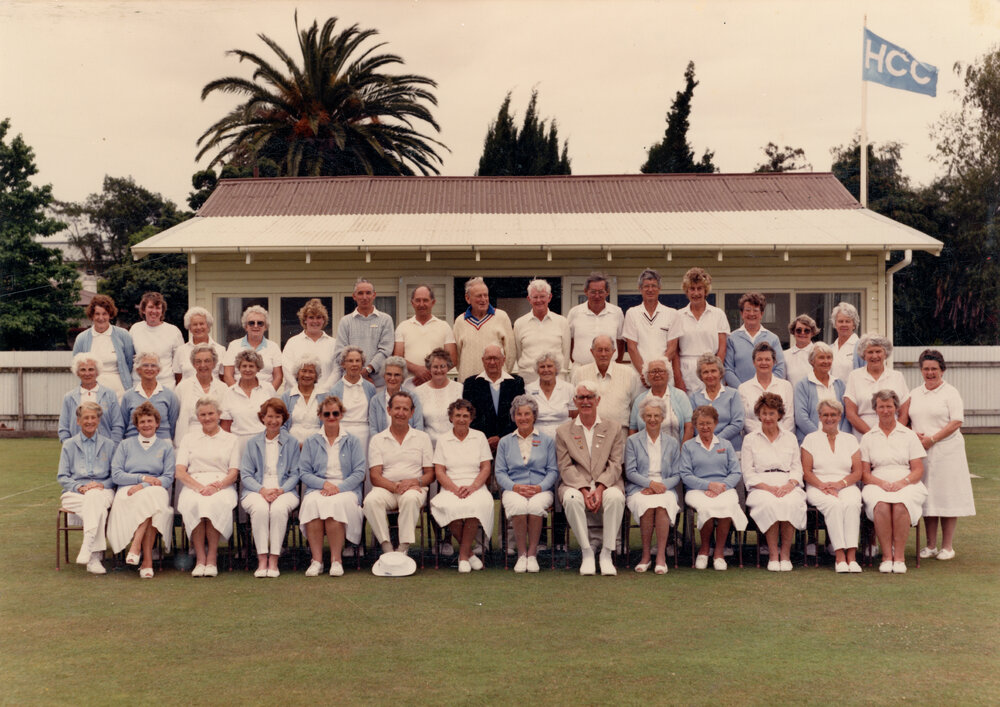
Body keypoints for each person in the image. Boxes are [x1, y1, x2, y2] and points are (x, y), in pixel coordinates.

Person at [906, 350, 975, 561]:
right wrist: (912, 434)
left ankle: (947, 546)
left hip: (947, 451)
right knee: (929, 496)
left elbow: (956, 422)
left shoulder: (950, 392)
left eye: (934, 369)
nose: (930, 373)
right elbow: (908, 420)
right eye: (926, 369)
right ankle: (930, 546)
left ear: (942, 370)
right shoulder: (914, 393)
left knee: (946, 496)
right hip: (922, 452)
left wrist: (932, 439)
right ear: (921, 370)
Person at [555, 381, 626, 576]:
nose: (586, 401)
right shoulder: (563, 431)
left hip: (607, 483)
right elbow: (565, 466)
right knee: (571, 499)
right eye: (581, 397)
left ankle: (606, 553)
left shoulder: (614, 428)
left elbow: (615, 463)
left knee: (615, 497)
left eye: (590, 397)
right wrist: (585, 489)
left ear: (598, 400)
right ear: (575, 401)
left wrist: (601, 488)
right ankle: (586, 552)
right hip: (576, 484)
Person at [860, 390, 928, 573]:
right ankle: (886, 557)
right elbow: (864, 474)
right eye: (881, 406)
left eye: (889, 406)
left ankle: (899, 557)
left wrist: (902, 482)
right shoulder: (868, 437)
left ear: (896, 408)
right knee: (881, 505)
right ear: (875, 409)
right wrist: (880, 483)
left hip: (906, 481)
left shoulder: (909, 435)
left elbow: (918, 470)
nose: (885, 410)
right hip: (876, 482)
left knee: (900, 504)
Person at [299, 396, 366, 577]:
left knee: (335, 504)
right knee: (312, 503)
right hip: (319, 488)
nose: (331, 417)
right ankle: (317, 560)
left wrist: (339, 488)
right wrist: (324, 484)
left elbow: (359, 472)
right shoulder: (311, 441)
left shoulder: (352, 441)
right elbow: (304, 472)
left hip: (346, 489)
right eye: (326, 413)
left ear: (341, 415)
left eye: (335, 413)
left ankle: (336, 560)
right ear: (320, 416)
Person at [107, 402, 176, 578]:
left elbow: (167, 477)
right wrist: (141, 479)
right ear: (136, 425)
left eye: (149, 421)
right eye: (142, 421)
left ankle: (136, 546)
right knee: (151, 506)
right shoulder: (125, 445)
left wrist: (144, 485)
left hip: (155, 488)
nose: (146, 424)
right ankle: (147, 561)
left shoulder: (166, 446)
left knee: (153, 498)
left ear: (157, 423)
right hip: (128, 490)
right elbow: (116, 475)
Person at [174, 398, 240, 577]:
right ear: (197, 417)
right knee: (193, 503)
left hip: (222, 485)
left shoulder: (231, 439)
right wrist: (199, 488)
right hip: (194, 484)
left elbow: (234, 472)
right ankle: (200, 559)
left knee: (213, 504)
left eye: (211, 413)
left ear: (219, 415)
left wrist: (217, 487)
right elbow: (180, 472)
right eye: (203, 414)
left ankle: (212, 558)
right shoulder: (188, 438)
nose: (207, 417)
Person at [741, 393, 807, 572]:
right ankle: (772, 555)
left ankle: (785, 555)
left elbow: (796, 468)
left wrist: (789, 485)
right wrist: (767, 488)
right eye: (764, 413)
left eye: (772, 413)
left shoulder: (790, 438)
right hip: (761, 485)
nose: (768, 418)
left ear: (779, 414)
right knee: (770, 503)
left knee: (791, 502)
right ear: (759, 415)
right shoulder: (750, 439)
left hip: (787, 482)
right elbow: (748, 471)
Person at [364, 391, 435, 555]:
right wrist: (395, 486)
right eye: (396, 408)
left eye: (405, 409)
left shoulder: (423, 438)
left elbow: (430, 474)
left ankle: (403, 547)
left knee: (410, 498)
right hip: (387, 488)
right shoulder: (377, 439)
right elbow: (375, 476)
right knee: (371, 501)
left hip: (414, 488)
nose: (400, 413)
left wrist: (414, 482)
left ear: (412, 413)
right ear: (389, 410)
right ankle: (386, 546)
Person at [495, 395, 558, 573]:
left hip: (541, 488)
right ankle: (521, 554)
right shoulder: (505, 442)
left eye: (527, 414)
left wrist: (540, 487)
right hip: (514, 488)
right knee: (518, 504)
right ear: (514, 416)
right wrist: (514, 487)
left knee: (536, 505)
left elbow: (553, 470)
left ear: (534, 416)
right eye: (519, 414)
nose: (523, 418)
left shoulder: (546, 441)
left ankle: (532, 554)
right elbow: (499, 472)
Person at [679, 406, 748, 571]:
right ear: (695, 425)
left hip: (723, 488)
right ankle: (703, 550)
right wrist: (708, 486)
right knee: (707, 506)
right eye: (701, 423)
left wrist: (720, 487)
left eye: (708, 423)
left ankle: (718, 553)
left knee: (727, 505)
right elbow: (686, 475)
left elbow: (735, 471)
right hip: (697, 490)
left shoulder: (726, 444)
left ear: (715, 424)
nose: (705, 427)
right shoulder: (688, 446)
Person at [429, 400, 494, 573]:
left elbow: (486, 467)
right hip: (451, 487)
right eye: (458, 415)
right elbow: (440, 471)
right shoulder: (443, 440)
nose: (461, 419)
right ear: (451, 417)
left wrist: (472, 487)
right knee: (449, 506)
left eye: (465, 416)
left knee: (476, 505)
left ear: (471, 418)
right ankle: (470, 554)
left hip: (476, 486)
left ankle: (463, 556)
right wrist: (454, 489)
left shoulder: (479, 436)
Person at [240, 398, 301, 578]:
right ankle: (261, 560)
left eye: (277, 416)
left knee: (278, 509)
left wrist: (281, 490)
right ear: (262, 418)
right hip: (257, 489)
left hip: (284, 490)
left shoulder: (291, 442)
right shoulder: (252, 443)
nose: (273, 421)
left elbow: (296, 474)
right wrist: (262, 490)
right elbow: (246, 474)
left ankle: (274, 560)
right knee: (259, 509)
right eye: (269, 416)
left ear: (284, 419)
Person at [801, 399, 863, 573]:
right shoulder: (810, 439)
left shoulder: (850, 439)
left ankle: (852, 556)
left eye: (833, 414)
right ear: (819, 417)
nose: (830, 418)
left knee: (852, 504)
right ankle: (839, 556)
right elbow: (806, 472)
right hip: (817, 486)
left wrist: (839, 484)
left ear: (840, 416)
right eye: (826, 415)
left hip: (845, 485)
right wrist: (823, 486)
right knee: (834, 505)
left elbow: (857, 472)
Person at [56, 401, 116, 574]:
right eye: (85, 418)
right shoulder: (69, 445)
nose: (89, 421)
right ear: (78, 421)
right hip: (75, 493)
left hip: (103, 490)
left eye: (93, 418)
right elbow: (62, 476)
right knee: (98, 508)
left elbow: (115, 476)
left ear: (98, 420)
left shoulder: (109, 444)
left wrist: (100, 484)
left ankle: (87, 545)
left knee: (95, 497)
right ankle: (94, 556)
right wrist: (79, 487)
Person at [625, 396, 681, 574]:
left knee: (663, 505)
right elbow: (630, 472)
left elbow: (677, 473)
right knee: (647, 506)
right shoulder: (633, 441)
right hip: (640, 487)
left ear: (663, 417)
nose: (652, 419)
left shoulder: (672, 442)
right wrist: (649, 484)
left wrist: (660, 486)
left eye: (656, 415)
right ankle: (646, 556)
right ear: (642, 417)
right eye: (648, 415)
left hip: (665, 487)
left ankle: (661, 557)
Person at [668, 267, 729, 394]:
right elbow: (675, 352)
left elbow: (722, 348)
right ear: (687, 291)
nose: (696, 293)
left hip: (711, 370)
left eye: (699, 288)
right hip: (687, 374)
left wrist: (715, 373)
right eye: (692, 289)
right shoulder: (678, 316)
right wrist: (679, 380)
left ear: (706, 290)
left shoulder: (718, 314)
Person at [462, 344, 525, 454]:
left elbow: (519, 414)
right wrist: (486, 440)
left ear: (503, 360)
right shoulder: (471, 383)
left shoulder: (516, 382)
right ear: (483, 360)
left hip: (511, 441)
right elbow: (470, 416)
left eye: (495, 358)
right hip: (480, 443)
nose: (492, 362)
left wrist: (501, 437)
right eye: (488, 358)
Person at [843, 334, 909, 439]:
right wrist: (872, 435)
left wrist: (893, 434)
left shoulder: (897, 376)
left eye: (878, 351)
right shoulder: (854, 376)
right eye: (870, 352)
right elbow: (851, 414)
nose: (874, 356)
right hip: (863, 436)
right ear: (864, 355)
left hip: (894, 436)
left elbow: (904, 413)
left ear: (885, 354)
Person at [334, 278, 394, 390]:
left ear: (374, 295)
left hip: (378, 384)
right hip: (350, 384)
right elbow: (340, 353)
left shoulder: (386, 320)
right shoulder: (345, 321)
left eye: (368, 293)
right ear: (354, 296)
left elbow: (386, 350)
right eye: (360, 293)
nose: (364, 297)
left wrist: (368, 370)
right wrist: (358, 375)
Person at [571, 334, 641, 429]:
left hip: (620, 432)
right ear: (592, 352)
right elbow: (574, 407)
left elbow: (635, 408)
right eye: (599, 350)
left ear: (613, 352)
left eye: (607, 350)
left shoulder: (629, 374)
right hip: (588, 432)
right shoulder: (580, 373)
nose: (603, 354)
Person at [393, 284, 458, 386]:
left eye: (425, 300)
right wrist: (417, 370)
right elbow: (397, 357)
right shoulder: (403, 326)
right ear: (412, 303)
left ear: (433, 302)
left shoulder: (444, 326)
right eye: (418, 300)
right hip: (411, 384)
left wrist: (431, 373)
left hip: (437, 384)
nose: (421, 304)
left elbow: (453, 360)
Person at [72, 294, 135, 399]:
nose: (101, 318)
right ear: (92, 315)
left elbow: (129, 363)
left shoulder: (123, 335)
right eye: (97, 314)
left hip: (119, 390)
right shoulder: (82, 338)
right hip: (92, 390)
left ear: (110, 315)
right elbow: (77, 366)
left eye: (104, 314)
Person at [453, 277, 515, 382]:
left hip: (496, 383)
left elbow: (510, 354)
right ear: (468, 299)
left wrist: (501, 375)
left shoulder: (501, 317)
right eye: (479, 296)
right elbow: (458, 357)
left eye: (485, 295)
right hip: (468, 384)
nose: (484, 299)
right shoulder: (460, 321)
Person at [623, 269, 678, 387]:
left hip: (665, 377)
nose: (650, 289)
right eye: (646, 286)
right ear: (640, 289)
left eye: (654, 286)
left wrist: (658, 373)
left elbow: (672, 348)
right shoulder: (632, 313)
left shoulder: (672, 313)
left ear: (659, 288)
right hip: (639, 378)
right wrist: (645, 374)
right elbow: (632, 348)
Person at [513, 278, 570, 384]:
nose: (539, 300)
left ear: (549, 297)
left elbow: (565, 355)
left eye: (542, 296)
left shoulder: (562, 322)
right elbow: (519, 354)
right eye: (535, 297)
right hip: (528, 381)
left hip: (557, 381)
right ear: (529, 299)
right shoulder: (519, 324)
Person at [220, 350, 276, 457]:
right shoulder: (229, 392)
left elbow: (275, 420)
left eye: (251, 366)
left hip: (264, 443)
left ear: (258, 368)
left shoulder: (268, 389)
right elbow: (225, 427)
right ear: (238, 368)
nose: (247, 369)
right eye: (244, 366)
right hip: (238, 445)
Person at [724, 292, 786, 387]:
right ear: (741, 313)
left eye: (755, 310)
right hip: (741, 395)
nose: (751, 314)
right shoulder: (732, 338)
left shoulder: (773, 338)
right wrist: (742, 390)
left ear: (761, 314)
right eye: (748, 310)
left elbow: (780, 369)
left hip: (767, 395)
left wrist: (766, 388)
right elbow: (728, 369)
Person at [58, 354, 123, 444]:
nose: (87, 373)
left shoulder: (110, 395)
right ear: (77, 373)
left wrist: (112, 447)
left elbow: (118, 425)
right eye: (83, 370)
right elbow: (63, 428)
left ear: (97, 372)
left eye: (91, 369)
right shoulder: (69, 397)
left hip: (105, 450)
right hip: (78, 450)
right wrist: (70, 448)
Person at [327, 346, 377, 462]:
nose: (354, 364)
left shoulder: (370, 388)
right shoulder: (335, 389)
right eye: (350, 361)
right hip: (342, 433)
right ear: (343, 364)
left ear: (362, 363)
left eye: (357, 361)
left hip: (365, 434)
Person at [173, 344, 228, 448]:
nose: (203, 365)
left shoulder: (223, 388)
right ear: (193, 364)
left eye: (207, 361)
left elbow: (225, 420)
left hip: (216, 441)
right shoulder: (183, 387)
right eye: (198, 361)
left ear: (214, 363)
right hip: (189, 440)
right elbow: (176, 417)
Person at [628, 357, 692, 445]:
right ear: (646, 376)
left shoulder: (680, 396)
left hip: (675, 453)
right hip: (646, 454)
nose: (657, 375)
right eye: (653, 372)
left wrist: (682, 453)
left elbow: (689, 427)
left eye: (661, 371)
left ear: (668, 374)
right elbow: (633, 429)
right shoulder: (640, 400)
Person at [793, 342, 848, 444]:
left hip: (839, 440)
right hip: (812, 441)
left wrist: (841, 436)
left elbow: (846, 415)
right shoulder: (803, 385)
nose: (826, 361)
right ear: (812, 361)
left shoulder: (839, 384)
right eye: (821, 358)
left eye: (829, 357)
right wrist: (821, 438)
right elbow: (801, 418)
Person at [567, 271, 624, 367]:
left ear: (607, 292)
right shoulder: (574, 312)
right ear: (586, 291)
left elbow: (621, 342)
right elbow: (569, 342)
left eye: (601, 292)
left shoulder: (617, 312)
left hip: (610, 369)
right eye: (593, 292)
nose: (597, 296)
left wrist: (616, 365)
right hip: (581, 368)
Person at [129, 291, 184, 391]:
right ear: (143, 309)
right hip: (139, 386)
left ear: (162, 311)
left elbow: (179, 364)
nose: (154, 311)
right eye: (150, 307)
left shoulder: (173, 331)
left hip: (166, 386)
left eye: (158, 308)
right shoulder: (135, 329)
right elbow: (129, 359)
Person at [688, 353, 744, 451]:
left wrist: (716, 440)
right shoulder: (694, 397)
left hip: (731, 448)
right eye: (705, 372)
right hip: (703, 448)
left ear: (720, 373)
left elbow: (738, 423)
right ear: (700, 376)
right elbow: (693, 425)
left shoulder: (733, 394)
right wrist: (707, 441)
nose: (710, 375)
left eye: (713, 371)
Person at [281, 298, 338, 392]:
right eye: (311, 317)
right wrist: (300, 390)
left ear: (324, 320)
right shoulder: (293, 342)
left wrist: (324, 390)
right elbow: (287, 370)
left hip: (325, 395)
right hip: (297, 395)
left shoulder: (333, 343)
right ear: (305, 320)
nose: (315, 321)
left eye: (319, 317)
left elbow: (336, 371)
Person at [738, 342, 794, 435]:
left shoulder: (786, 386)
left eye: (767, 359)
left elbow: (789, 418)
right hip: (754, 440)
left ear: (774, 362)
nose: (764, 363)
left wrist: (777, 435)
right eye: (759, 359)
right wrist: (764, 435)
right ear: (753, 362)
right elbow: (746, 420)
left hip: (782, 439)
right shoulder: (743, 388)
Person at [222, 305, 283, 389]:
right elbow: (228, 375)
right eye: (251, 323)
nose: (255, 326)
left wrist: (267, 395)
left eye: (260, 323)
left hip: (266, 397)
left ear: (265, 326)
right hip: (239, 395)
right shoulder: (234, 345)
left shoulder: (273, 347)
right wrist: (238, 394)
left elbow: (278, 377)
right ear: (246, 326)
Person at [120, 352, 179, 440]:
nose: (149, 368)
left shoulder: (169, 395)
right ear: (138, 369)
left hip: (162, 443)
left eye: (153, 365)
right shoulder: (128, 396)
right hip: (134, 443)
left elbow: (173, 424)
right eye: (145, 365)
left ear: (158, 370)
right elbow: (123, 424)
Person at [413, 348, 464, 447]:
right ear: (429, 368)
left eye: (442, 366)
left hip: (454, 444)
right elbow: (417, 424)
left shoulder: (460, 388)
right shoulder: (418, 392)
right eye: (435, 367)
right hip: (429, 446)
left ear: (448, 367)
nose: (439, 370)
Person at [368, 356, 424, 435]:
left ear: (403, 377)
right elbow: (373, 429)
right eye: (389, 374)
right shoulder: (375, 400)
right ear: (384, 375)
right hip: (382, 445)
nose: (392, 378)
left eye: (397, 375)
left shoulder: (413, 398)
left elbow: (419, 426)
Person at [525, 353, 575, 438]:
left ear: (556, 369)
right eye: (542, 367)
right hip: (537, 436)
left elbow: (574, 415)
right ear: (537, 370)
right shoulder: (529, 389)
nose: (546, 370)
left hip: (564, 435)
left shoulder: (569, 388)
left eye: (549, 366)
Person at [173, 306, 226, 384]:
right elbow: (178, 378)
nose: (198, 327)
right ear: (189, 328)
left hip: (213, 394)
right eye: (194, 324)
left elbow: (223, 378)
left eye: (201, 324)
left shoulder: (220, 350)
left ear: (208, 326)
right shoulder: (181, 351)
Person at [281, 355, 326, 444]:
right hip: (292, 446)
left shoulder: (324, 396)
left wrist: (315, 445)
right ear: (297, 374)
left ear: (316, 376)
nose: (307, 375)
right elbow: (281, 426)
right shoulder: (286, 397)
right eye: (303, 371)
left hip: (318, 446)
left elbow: (329, 425)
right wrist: (294, 445)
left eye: (311, 371)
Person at [830, 302, 861, 383]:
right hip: (832, 394)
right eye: (840, 321)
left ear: (854, 325)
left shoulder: (861, 347)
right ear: (835, 324)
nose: (844, 324)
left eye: (847, 321)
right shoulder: (830, 348)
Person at [784, 314, 819, 388]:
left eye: (806, 331)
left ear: (812, 333)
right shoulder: (785, 355)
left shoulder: (819, 353)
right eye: (799, 330)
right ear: (793, 332)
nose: (802, 333)